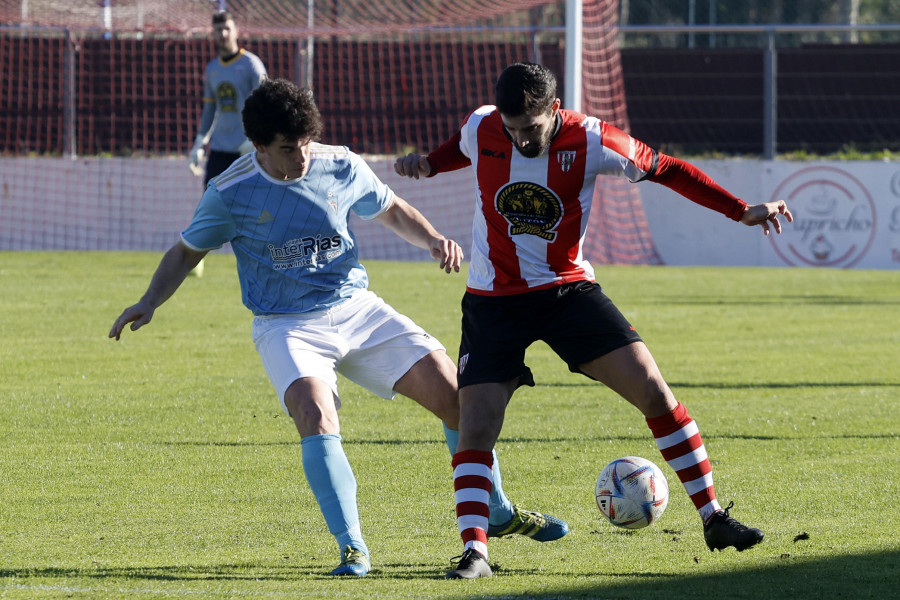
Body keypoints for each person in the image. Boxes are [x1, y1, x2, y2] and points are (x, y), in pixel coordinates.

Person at [110, 78, 568, 578]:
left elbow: (389, 207)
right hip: (286, 325)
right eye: (288, 148)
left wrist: (434, 239)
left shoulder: (339, 163)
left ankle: (496, 512)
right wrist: (149, 300)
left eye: (306, 141)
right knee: (313, 410)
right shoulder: (230, 192)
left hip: (356, 308)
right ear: (260, 146)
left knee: (457, 396)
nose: (302, 156)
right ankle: (353, 549)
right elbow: (185, 251)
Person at [394, 62, 793, 579]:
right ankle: (476, 553)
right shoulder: (482, 124)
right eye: (511, 130)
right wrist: (428, 164)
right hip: (493, 300)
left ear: (554, 111)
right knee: (476, 425)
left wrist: (741, 211)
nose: (519, 141)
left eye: (530, 130)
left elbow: (668, 168)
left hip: (567, 292)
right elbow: (459, 148)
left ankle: (713, 516)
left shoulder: (594, 139)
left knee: (653, 389)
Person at [188, 10, 267, 277]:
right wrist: (200, 141)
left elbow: (266, 105)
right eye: (217, 30)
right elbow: (211, 111)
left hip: (249, 151)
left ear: (236, 30)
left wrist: (256, 140)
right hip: (220, 150)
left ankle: (266, 259)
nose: (222, 34)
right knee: (208, 204)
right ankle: (195, 260)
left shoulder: (252, 65)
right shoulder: (212, 69)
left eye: (227, 29)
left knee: (258, 207)